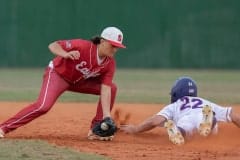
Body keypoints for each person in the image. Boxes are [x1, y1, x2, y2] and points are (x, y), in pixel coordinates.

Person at [0, 26, 126, 141]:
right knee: (43, 106)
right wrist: (65, 54)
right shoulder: (83, 46)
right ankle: (4, 127)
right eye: (113, 45)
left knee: (112, 88)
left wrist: (107, 116)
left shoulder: (110, 64)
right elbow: (53, 45)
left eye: (117, 47)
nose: (115, 50)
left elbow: (105, 89)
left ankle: (96, 131)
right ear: (102, 41)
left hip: (79, 82)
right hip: (58, 75)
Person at [120, 77, 240, 145]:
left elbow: (154, 121)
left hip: (185, 118)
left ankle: (179, 132)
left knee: (185, 128)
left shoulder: (176, 105)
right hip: (202, 113)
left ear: (176, 93)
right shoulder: (204, 102)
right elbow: (232, 115)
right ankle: (208, 120)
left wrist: (135, 129)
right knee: (205, 120)